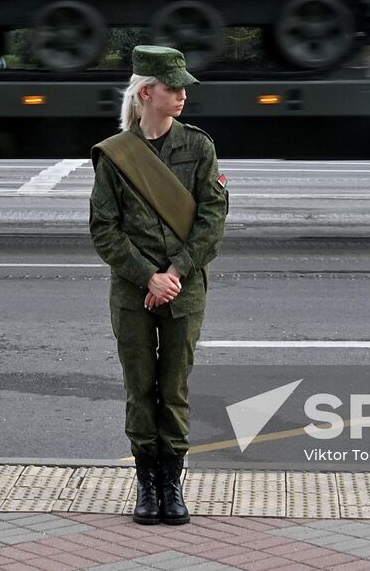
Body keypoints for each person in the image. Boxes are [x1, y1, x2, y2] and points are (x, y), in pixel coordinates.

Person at [89, 45, 228, 526]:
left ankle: (173, 485)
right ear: (147, 92)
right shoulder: (116, 154)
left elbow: (213, 220)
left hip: (183, 289)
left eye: (183, 87)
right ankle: (146, 485)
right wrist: (147, 275)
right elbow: (104, 229)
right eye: (173, 88)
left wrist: (174, 273)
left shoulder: (199, 147)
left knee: (173, 389)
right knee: (139, 388)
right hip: (133, 291)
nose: (183, 95)